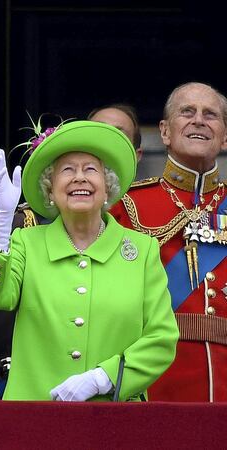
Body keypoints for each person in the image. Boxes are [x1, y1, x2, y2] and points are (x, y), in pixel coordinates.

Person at [0, 120, 178, 401]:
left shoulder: (142, 252)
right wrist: (2, 222)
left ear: (107, 188)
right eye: (67, 170)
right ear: (50, 190)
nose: (79, 177)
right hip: (33, 418)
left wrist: (103, 378)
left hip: (113, 417)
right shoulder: (26, 243)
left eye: (91, 169)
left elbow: (161, 339)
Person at [109, 82, 227, 402]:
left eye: (211, 114)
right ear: (164, 131)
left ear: (225, 135)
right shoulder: (126, 206)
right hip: (154, 379)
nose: (199, 120)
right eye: (187, 112)